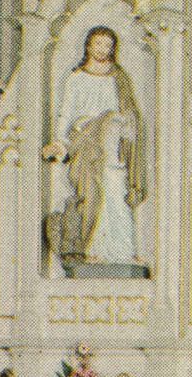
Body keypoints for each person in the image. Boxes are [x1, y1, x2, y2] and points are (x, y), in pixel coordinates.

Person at [44, 25, 145, 267]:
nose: (102, 49)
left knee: (116, 191)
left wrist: (124, 122)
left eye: (108, 45)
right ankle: (90, 248)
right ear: (88, 45)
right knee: (91, 194)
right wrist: (60, 142)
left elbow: (129, 113)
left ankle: (122, 251)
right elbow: (66, 113)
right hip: (86, 143)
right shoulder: (76, 78)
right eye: (98, 44)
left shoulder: (118, 78)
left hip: (113, 144)